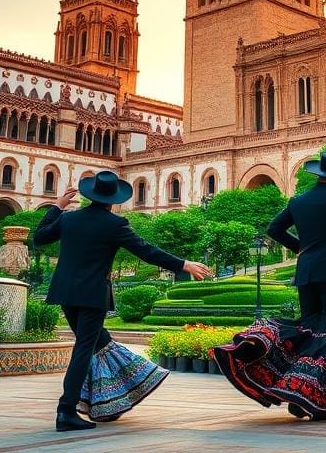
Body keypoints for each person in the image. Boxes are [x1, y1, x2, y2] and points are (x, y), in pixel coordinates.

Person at [211, 151, 326, 420]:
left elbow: (274, 229)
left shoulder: (299, 201)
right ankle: (310, 396)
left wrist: (301, 248)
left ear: (318, 174)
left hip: (307, 271)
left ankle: (301, 393)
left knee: (310, 330)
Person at [34, 170, 211, 432]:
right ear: (114, 200)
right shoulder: (114, 225)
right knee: (85, 348)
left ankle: (108, 399)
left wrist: (57, 207)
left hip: (65, 293)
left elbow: (39, 237)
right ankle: (66, 410)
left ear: (89, 195)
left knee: (100, 343)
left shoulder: (69, 219)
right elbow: (147, 251)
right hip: (92, 295)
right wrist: (183, 264)